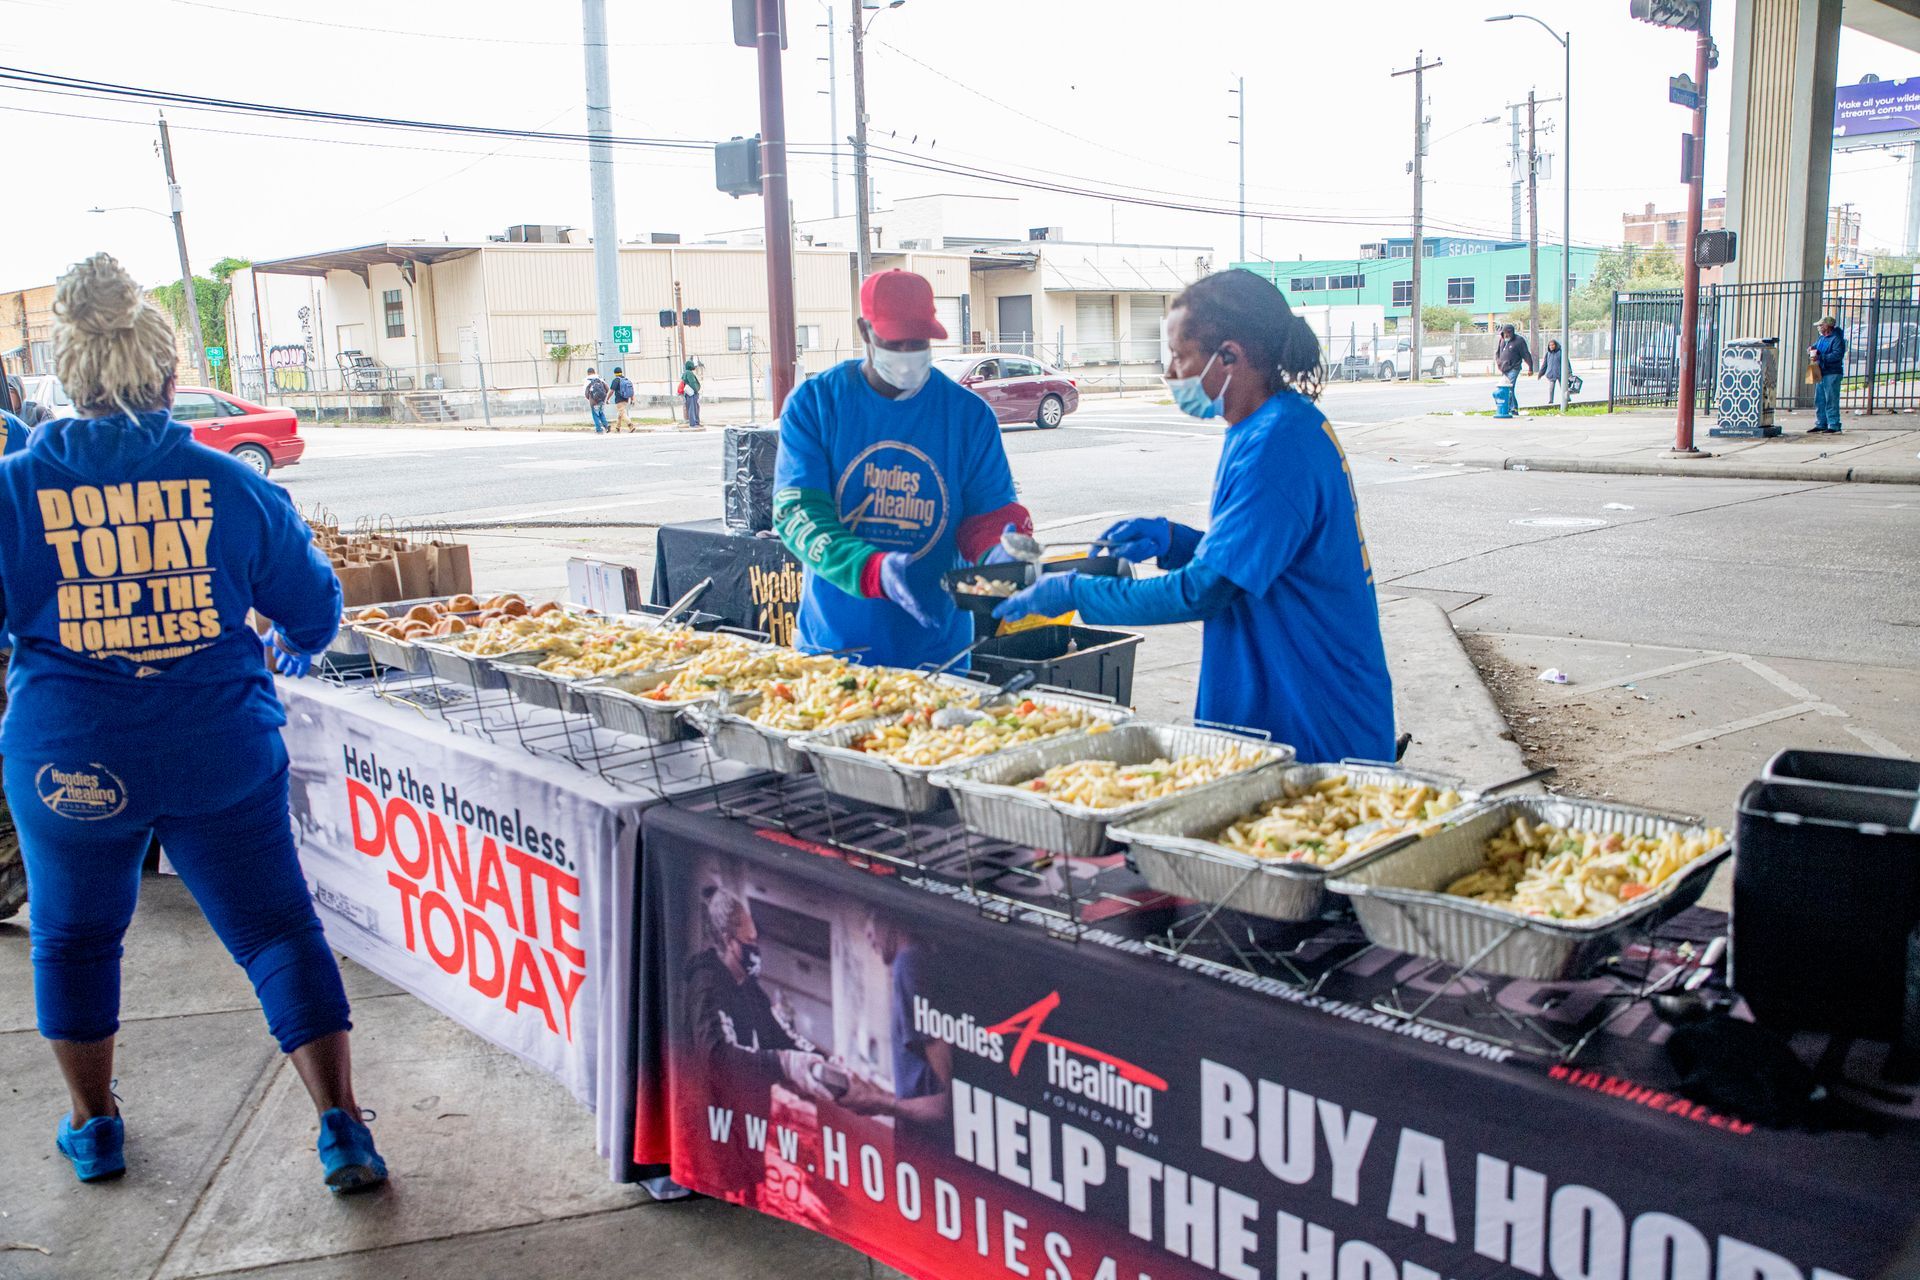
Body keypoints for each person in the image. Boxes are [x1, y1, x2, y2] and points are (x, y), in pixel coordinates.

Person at [0, 253, 386, 1192]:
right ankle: (341, 1129)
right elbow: (314, 614)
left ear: (68, 374)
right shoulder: (235, 487)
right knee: (277, 930)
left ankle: (95, 1129)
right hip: (219, 747)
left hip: (70, 758)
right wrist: (268, 636)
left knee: (75, 937)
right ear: (170, 375)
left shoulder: (12, 490)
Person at [994, 269, 1394, 763]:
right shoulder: (1264, 426)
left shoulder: (1278, 445)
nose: (1170, 373)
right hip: (1288, 694)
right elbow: (1265, 554)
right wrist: (1174, 541)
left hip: (1311, 710)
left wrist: (1076, 592)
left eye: (1181, 357)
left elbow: (1206, 589)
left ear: (1229, 356)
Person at [772, 269, 1033, 669]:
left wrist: (999, 552)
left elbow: (988, 514)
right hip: (834, 649)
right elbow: (799, 515)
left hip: (937, 651)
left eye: (919, 342)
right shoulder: (816, 404)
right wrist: (869, 569)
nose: (909, 353)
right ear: (865, 330)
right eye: (895, 342)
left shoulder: (967, 416)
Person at [684, 885, 830, 1200]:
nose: (756, 949)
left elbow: (782, 1035)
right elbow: (717, 1055)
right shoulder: (706, 986)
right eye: (749, 942)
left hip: (749, 1125)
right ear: (727, 940)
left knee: (750, 1194)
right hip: (715, 1125)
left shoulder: (750, 990)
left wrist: (822, 1061)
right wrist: (779, 1062)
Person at [1809, 316, 1846, 434]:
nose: (1819, 327)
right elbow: (1815, 347)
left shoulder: (1836, 339)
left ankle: (1834, 425)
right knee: (1819, 399)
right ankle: (1821, 423)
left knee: (1831, 399)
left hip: (1832, 372)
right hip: (1820, 371)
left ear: (1827, 326)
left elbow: (1837, 355)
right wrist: (1811, 349)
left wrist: (1820, 357)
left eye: (1821, 325)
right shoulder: (1822, 338)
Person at [1496, 324, 1533, 410]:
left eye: (1508, 333)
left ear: (1512, 333)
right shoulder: (1502, 340)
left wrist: (1530, 367)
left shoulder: (1519, 341)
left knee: (1509, 387)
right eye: (1505, 333)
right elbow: (1498, 352)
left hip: (1514, 367)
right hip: (1504, 368)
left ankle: (1512, 408)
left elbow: (1526, 354)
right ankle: (1512, 407)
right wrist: (1498, 362)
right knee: (1505, 388)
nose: (1506, 335)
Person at [1538, 338, 1565, 409]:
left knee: (1563, 387)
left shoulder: (1560, 353)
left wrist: (1569, 373)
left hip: (1560, 373)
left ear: (1556, 345)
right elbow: (1545, 364)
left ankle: (1566, 398)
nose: (1551, 347)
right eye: (1550, 345)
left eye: (1553, 345)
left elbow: (1566, 363)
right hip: (1551, 373)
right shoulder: (1548, 354)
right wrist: (1540, 374)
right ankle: (1551, 400)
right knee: (1551, 387)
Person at [583, 366, 609, 434]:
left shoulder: (587, 381)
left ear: (588, 373)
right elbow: (607, 388)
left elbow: (585, 393)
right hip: (602, 400)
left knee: (595, 415)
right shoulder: (600, 379)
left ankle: (599, 429)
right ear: (594, 372)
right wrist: (604, 396)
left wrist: (590, 398)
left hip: (593, 401)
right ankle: (606, 426)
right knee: (601, 413)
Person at [679, 357, 702, 429]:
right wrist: (696, 390)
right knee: (693, 408)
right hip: (692, 394)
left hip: (689, 394)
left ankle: (695, 422)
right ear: (690, 366)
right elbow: (692, 383)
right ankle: (693, 423)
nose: (694, 366)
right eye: (692, 365)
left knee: (692, 408)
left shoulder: (686, 373)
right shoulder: (689, 373)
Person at [611, 365, 635, 432]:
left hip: (619, 400)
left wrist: (607, 398)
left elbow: (611, 391)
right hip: (626, 399)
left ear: (615, 373)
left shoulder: (616, 380)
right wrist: (632, 399)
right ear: (621, 372)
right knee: (620, 414)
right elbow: (631, 390)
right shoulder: (626, 380)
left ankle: (631, 425)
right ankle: (617, 428)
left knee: (622, 414)